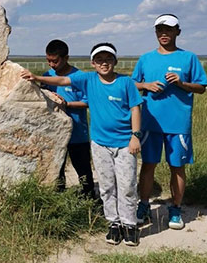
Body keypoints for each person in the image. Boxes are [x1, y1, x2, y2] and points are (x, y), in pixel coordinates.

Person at [21, 42, 143, 247]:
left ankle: (129, 225)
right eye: (100, 60)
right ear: (93, 63)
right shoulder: (88, 78)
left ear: (115, 61)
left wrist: (135, 135)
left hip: (123, 143)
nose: (104, 64)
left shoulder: (126, 82)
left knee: (127, 185)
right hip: (100, 143)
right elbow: (62, 79)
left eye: (108, 59)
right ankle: (113, 223)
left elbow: (135, 108)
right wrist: (37, 78)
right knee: (106, 186)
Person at [132, 14, 207, 230]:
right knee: (148, 166)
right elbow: (133, 84)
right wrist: (146, 86)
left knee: (177, 167)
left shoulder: (189, 58)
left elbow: (201, 87)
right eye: (160, 30)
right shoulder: (145, 58)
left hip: (178, 124)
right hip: (150, 123)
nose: (164, 34)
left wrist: (182, 83)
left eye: (168, 30)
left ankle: (175, 209)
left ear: (178, 32)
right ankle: (144, 205)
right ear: (156, 33)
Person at [41, 40, 95, 199]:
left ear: (66, 58)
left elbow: (87, 102)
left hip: (78, 134)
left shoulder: (80, 77)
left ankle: (90, 201)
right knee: (57, 171)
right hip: (55, 134)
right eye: (48, 60)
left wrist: (67, 104)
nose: (51, 64)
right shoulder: (47, 76)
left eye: (55, 61)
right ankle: (59, 200)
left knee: (83, 171)